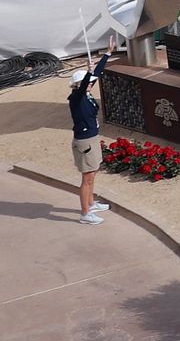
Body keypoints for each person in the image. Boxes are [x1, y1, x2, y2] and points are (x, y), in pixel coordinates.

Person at [70, 42, 112, 224]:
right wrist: (88, 72)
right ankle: (85, 213)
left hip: (91, 138)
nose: (92, 84)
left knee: (92, 174)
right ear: (79, 84)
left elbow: (96, 74)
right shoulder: (76, 98)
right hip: (85, 141)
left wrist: (107, 54)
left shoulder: (85, 94)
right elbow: (87, 81)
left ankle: (91, 203)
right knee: (87, 178)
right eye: (89, 82)